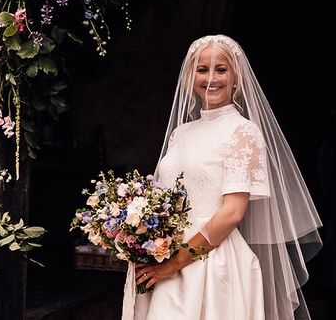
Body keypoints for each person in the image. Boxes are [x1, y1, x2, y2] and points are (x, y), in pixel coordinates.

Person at [122, 34, 322, 320]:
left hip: (211, 266)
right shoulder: (181, 134)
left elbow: (232, 212)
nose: (211, 78)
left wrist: (175, 263)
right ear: (190, 76)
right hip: (162, 262)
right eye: (202, 69)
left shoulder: (243, 132)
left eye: (221, 69)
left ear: (236, 76)